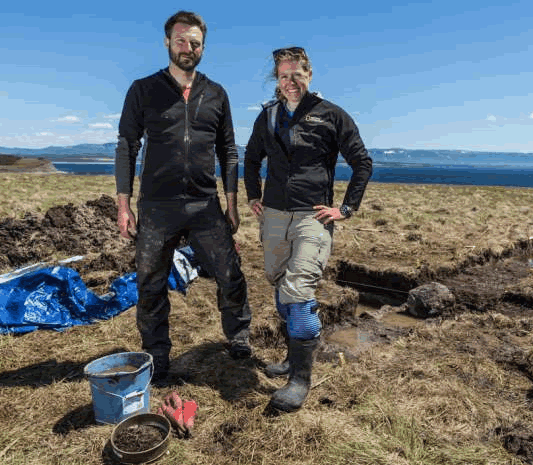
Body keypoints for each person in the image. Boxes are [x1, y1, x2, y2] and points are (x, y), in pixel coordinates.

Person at [115, 11, 252, 383]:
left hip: (205, 204)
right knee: (151, 282)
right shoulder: (144, 90)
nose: (187, 48)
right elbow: (127, 145)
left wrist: (232, 203)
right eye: (180, 41)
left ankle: (239, 337)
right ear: (166, 43)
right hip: (157, 206)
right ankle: (157, 356)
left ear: (203, 47)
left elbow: (229, 151)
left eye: (194, 42)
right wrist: (123, 204)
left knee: (229, 272)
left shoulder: (216, 93)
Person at [244, 47, 372, 412]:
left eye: (297, 75)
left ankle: (299, 380)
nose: (290, 82)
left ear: (309, 75)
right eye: (284, 76)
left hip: (313, 217)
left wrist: (346, 208)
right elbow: (252, 158)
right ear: (277, 79)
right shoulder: (267, 116)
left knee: (298, 288)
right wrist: (254, 195)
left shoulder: (331, 115)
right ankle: (291, 355)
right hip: (273, 216)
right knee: (279, 282)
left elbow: (362, 162)